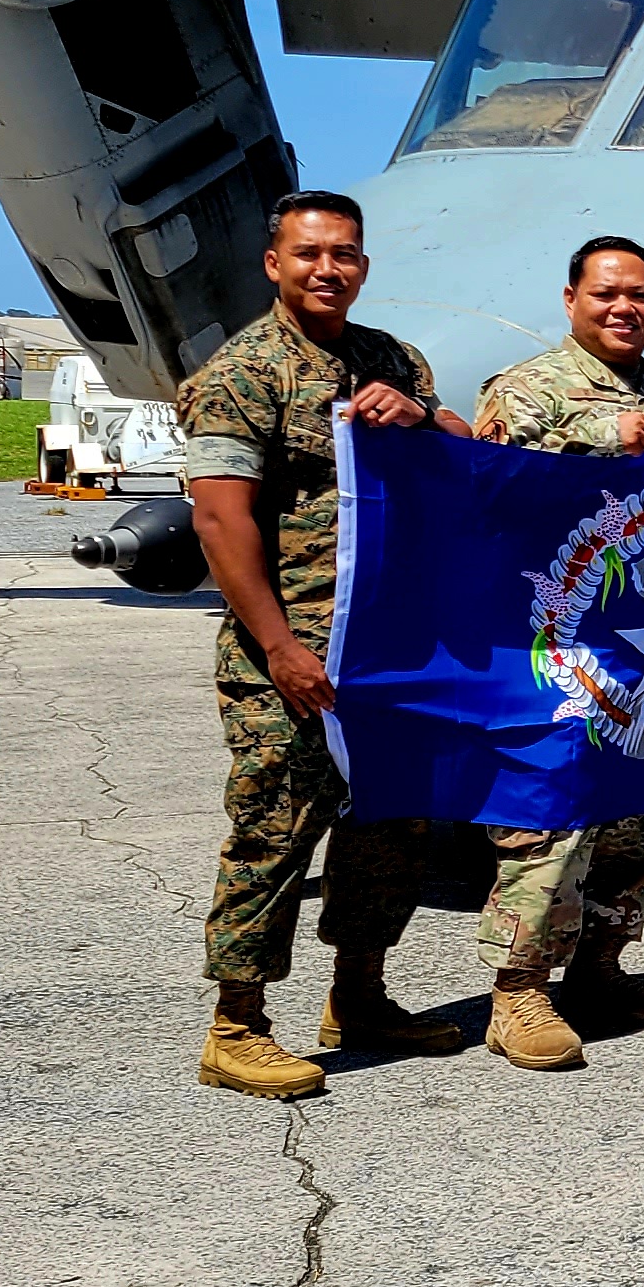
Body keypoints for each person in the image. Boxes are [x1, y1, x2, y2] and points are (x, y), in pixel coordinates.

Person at [178, 190, 473, 1098]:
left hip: (387, 649)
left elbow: (465, 451)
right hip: (293, 656)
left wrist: (420, 416)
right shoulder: (244, 374)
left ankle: (361, 995)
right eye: (308, 254)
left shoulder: (390, 360)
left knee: (388, 828)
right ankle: (237, 1025)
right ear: (274, 263)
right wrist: (278, 648)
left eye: (343, 254)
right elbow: (221, 523)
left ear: (363, 266)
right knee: (275, 832)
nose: (326, 269)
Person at [465, 236, 644, 1067]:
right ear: (570, 298)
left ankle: (602, 967)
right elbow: (488, 485)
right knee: (552, 813)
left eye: (640, 295)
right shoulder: (526, 390)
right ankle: (519, 991)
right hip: (550, 642)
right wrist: (602, 435)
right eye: (607, 294)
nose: (624, 309)